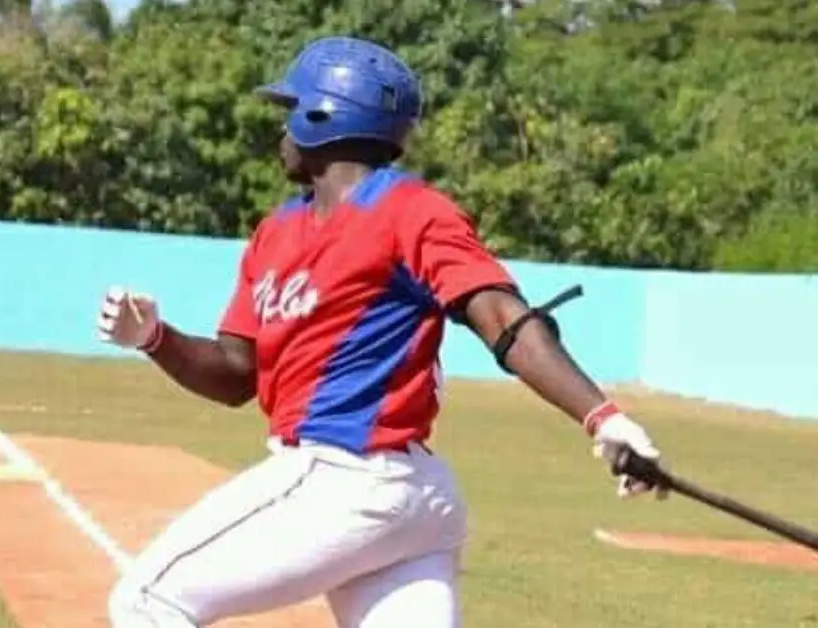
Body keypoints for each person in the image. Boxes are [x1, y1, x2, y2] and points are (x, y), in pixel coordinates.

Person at [95, 35, 665, 628]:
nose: (281, 130)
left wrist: (605, 418)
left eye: (291, 111)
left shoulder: (408, 210)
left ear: (325, 116)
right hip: (408, 504)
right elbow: (238, 375)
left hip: (345, 482)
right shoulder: (277, 233)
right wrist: (155, 338)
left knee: (144, 601)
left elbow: (501, 317)